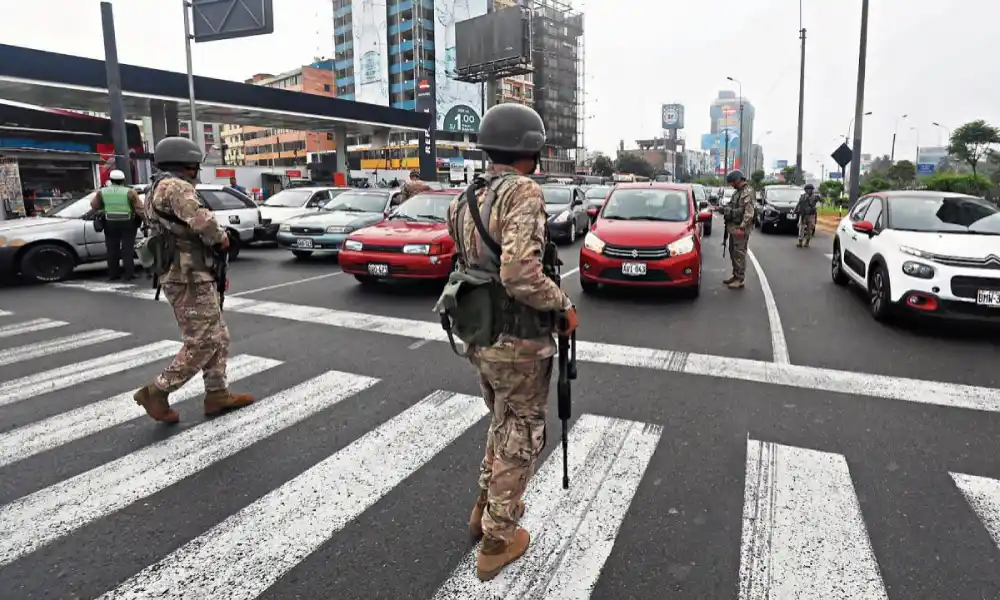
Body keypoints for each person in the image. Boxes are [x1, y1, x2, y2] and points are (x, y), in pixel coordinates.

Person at [444, 103, 579, 582]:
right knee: (522, 431)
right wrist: (562, 305)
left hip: (481, 334)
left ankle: (485, 507)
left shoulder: (466, 197)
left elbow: (470, 261)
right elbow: (520, 273)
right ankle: (499, 538)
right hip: (518, 339)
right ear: (532, 148)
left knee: (503, 422)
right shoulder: (521, 191)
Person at [133, 136, 254, 424]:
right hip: (188, 275)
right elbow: (204, 222)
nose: (196, 170)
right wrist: (222, 238)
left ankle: (217, 394)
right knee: (202, 341)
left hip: (188, 272)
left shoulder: (156, 186)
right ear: (187, 163)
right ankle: (157, 391)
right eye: (195, 165)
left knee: (218, 336)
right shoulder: (175, 187)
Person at [91, 170, 143, 281]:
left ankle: (113, 274)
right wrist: (146, 220)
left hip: (110, 223)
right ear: (123, 180)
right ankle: (129, 274)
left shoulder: (102, 192)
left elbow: (94, 205)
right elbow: (140, 209)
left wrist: (104, 209)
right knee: (127, 249)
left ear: (111, 180)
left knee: (112, 249)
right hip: (128, 223)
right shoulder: (130, 192)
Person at [720, 169, 756, 289]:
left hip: (740, 228)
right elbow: (731, 205)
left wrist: (742, 227)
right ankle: (735, 275)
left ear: (737, 180)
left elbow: (749, 213)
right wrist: (723, 209)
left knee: (739, 253)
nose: (731, 185)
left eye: (732, 182)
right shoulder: (738, 192)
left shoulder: (747, 192)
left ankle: (740, 278)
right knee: (733, 252)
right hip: (733, 228)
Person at [795, 183, 820, 248]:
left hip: (811, 215)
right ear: (805, 190)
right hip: (803, 214)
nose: (809, 190)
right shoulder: (802, 196)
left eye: (810, 189)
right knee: (801, 228)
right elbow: (799, 204)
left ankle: (807, 242)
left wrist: (819, 197)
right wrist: (795, 210)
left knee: (810, 229)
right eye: (808, 189)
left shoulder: (814, 197)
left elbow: (822, 200)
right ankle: (800, 242)